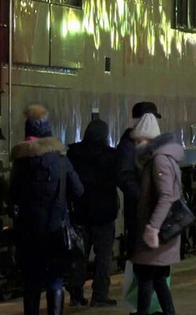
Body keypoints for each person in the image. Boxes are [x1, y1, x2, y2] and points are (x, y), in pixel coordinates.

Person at [10, 104, 83, 315]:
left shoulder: (20, 163)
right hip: (56, 231)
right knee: (55, 280)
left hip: (29, 232)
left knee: (31, 281)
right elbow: (78, 190)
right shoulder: (61, 161)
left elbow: (12, 196)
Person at [128, 112, 183, 315]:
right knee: (157, 278)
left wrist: (152, 228)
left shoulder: (159, 160)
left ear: (151, 139)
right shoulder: (161, 158)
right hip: (161, 230)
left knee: (146, 276)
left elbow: (166, 196)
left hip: (158, 231)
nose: (137, 145)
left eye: (140, 140)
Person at [66, 119, 119, 308]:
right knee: (103, 257)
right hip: (105, 215)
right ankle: (100, 296)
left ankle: (76, 295)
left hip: (80, 213)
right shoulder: (111, 156)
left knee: (79, 256)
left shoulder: (74, 154)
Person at [118, 102, 162, 258]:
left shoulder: (154, 144)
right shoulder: (129, 144)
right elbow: (124, 175)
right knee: (140, 253)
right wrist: (142, 197)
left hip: (151, 208)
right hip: (139, 210)